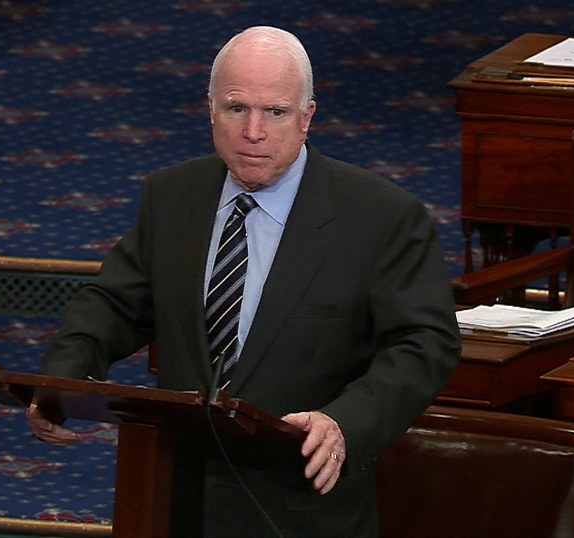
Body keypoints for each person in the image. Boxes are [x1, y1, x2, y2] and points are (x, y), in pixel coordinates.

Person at [27, 25, 461, 537]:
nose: (253, 132)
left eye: (275, 112)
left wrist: (346, 422)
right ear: (210, 109)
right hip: (179, 501)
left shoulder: (381, 217)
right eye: (236, 108)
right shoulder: (173, 196)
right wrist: (60, 382)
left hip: (301, 508)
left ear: (306, 117)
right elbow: (114, 304)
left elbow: (425, 342)